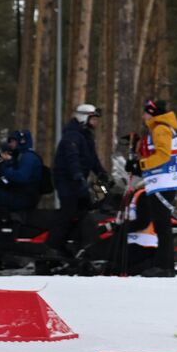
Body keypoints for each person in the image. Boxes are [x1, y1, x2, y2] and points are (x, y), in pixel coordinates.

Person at [48, 104, 112, 259]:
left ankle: (80, 243)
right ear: (84, 117)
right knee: (69, 211)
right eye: (94, 119)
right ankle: (53, 246)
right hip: (67, 181)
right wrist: (77, 175)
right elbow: (72, 158)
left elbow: (92, 159)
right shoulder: (72, 135)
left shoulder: (85, 135)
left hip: (78, 180)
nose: (96, 123)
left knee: (91, 206)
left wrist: (102, 173)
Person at [128, 99, 177, 276]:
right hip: (160, 183)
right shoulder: (159, 129)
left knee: (162, 225)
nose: (143, 116)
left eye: (145, 113)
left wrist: (141, 165)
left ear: (152, 113)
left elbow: (163, 155)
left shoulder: (160, 129)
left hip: (163, 183)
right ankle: (165, 265)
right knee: (161, 225)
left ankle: (164, 267)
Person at [0, 130, 44, 215]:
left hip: (23, 198)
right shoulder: (22, 156)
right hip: (21, 195)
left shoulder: (28, 157)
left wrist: (5, 166)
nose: (10, 144)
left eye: (13, 141)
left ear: (21, 141)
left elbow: (21, 177)